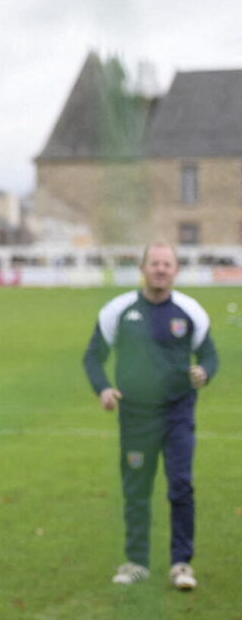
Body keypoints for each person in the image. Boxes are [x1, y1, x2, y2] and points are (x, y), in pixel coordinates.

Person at [83, 242, 218, 590]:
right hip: (136, 416)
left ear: (175, 270)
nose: (160, 269)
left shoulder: (190, 311)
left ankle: (181, 564)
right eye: (154, 263)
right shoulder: (119, 310)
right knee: (137, 488)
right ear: (143, 268)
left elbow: (210, 355)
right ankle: (136, 562)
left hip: (178, 413)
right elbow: (93, 357)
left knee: (180, 485)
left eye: (167, 264)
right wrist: (103, 388)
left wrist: (204, 371)